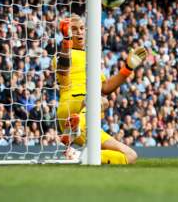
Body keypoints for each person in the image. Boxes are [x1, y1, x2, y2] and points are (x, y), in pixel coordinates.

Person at [55, 14, 147, 164]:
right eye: (74, 29)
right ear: (67, 32)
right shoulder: (64, 55)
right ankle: (74, 126)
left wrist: (127, 68)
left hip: (89, 119)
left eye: (81, 28)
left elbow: (106, 87)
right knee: (102, 101)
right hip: (71, 108)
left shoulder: (92, 57)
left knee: (130, 155)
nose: (79, 32)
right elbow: (63, 73)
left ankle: (80, 156)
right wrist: (66, 42)